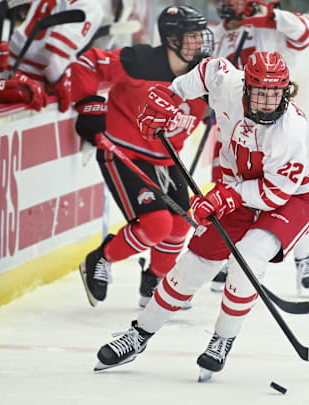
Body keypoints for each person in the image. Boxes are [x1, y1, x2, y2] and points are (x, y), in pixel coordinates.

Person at [93, 51, 309, 380]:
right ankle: (139, 335)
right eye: (261, 92)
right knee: (192, 267)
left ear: (285, 91)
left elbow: (274, 194)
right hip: (241, 186)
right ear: (245, 88)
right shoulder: (229, 85)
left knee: (248, 258)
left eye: (276, 93)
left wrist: (225, 197)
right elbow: (208, 69)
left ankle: (222, 339)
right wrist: (172, 94)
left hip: (292, 198)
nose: (269, 102)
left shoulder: (291, 131)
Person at [53, 5, 213, 307]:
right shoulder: (139, 61)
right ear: (172, 38)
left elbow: (233, 98)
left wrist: (222, 109)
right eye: (191, 35)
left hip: (166, 159)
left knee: (180, 225)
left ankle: (154, 282)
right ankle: (100, 258)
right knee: (157, 226)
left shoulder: (204, 75)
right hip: (124, 152)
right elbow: (88, 63)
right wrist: (89, 105)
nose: (199, 42)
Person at [209, 0, 309, 294]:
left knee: (292, 192)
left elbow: (305, 31)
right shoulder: (222, 32)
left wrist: (269, 15)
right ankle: (230, 255)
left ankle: (303, 258)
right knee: (229, 186)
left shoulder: (277, 25)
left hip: (278, 126)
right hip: (237, 124)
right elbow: (212, 73)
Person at [9, 0, 131, 85]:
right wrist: (63, 83)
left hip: (11, 69)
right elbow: (56, 52)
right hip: (35, 81)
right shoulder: (91, 6)